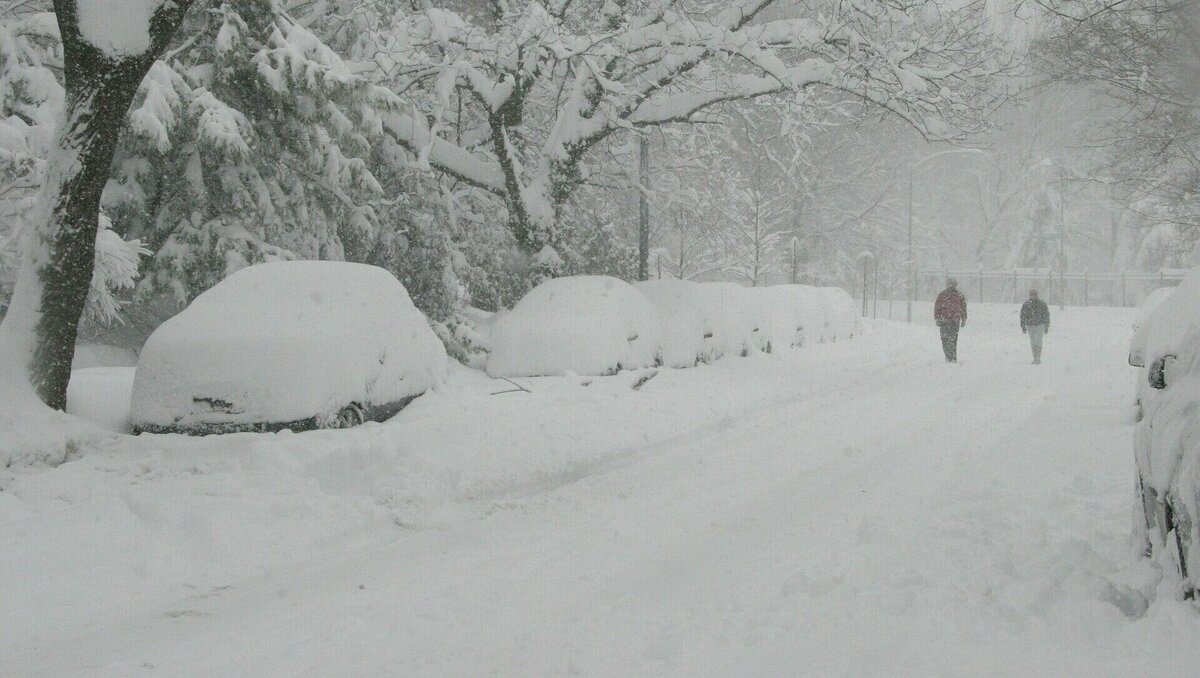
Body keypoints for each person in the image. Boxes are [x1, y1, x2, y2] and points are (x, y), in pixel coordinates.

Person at [934, 277, 967, 362]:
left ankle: (951, 357)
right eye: (951, 284)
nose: (952, 286)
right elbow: (937, 307)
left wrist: (963, 319)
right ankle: (950, 357)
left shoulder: (957, 295)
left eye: (953, 284)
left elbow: (963, 308)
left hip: (949, 321)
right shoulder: (944, 295)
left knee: (949, 339)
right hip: (949, 320)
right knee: (949, 340)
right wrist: (937, 317)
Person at [1020, 289, 1051, 364]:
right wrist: (1023, 326)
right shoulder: (1026, 304)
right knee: (1033, 341)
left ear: (1037, 295)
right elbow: (1022, 316)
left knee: (1038, 341)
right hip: (1030, 325)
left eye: (1034, 294)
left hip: (1039, 325)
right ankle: (1035, 357)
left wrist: (1046, 326)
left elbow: (1046, 315)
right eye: (1031, 294)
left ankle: (1038, 357)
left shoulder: (1042, 304)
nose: (1033, 296)